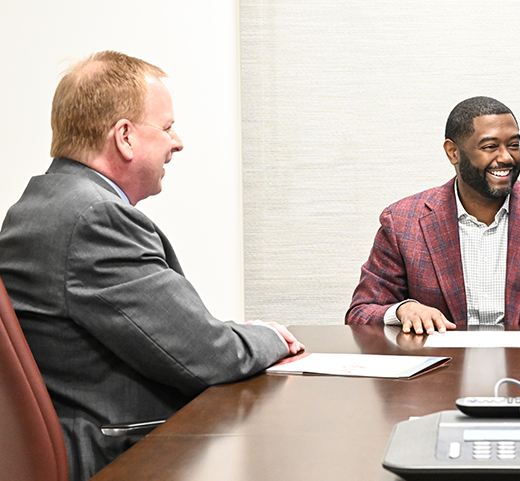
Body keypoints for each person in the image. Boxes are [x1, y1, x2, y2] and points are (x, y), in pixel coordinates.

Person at [0, 51, 304, 481]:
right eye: (166, 127)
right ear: (124, 136)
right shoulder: (94, 219)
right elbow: (208, 355)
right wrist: (270, 335)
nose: (177, 142)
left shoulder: (39, 205)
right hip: (123, 453)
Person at [346, 96, 520, 333]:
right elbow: (361, 312)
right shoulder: (402, 222)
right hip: (439, 379)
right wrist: (403, 310)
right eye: (489, 147)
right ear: (453, 152)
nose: (506, 157)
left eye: (513, 145)